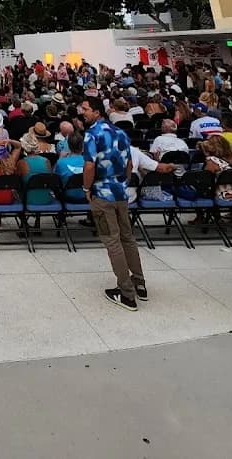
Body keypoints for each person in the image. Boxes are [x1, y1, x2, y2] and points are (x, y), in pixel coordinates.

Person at [82, 97, 146, 311]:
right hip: (120, 193)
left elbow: (89, 165)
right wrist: (124, 181)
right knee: (127, 237)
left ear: (97, 112)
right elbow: (129, 163)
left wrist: (86, 188)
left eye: (86, 109)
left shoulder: (92, 135)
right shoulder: (121, 132)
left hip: (102, 195)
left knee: (112, 241)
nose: (83, 112)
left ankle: (126, 293)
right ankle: (139, 283)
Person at [54, 131, 87, 201]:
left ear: (68, 146)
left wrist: (60, 158)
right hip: (87, 196)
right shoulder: (90, 162)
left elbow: (53, 178)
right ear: (83, 145)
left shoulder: (61, 162)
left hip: (67, 196)